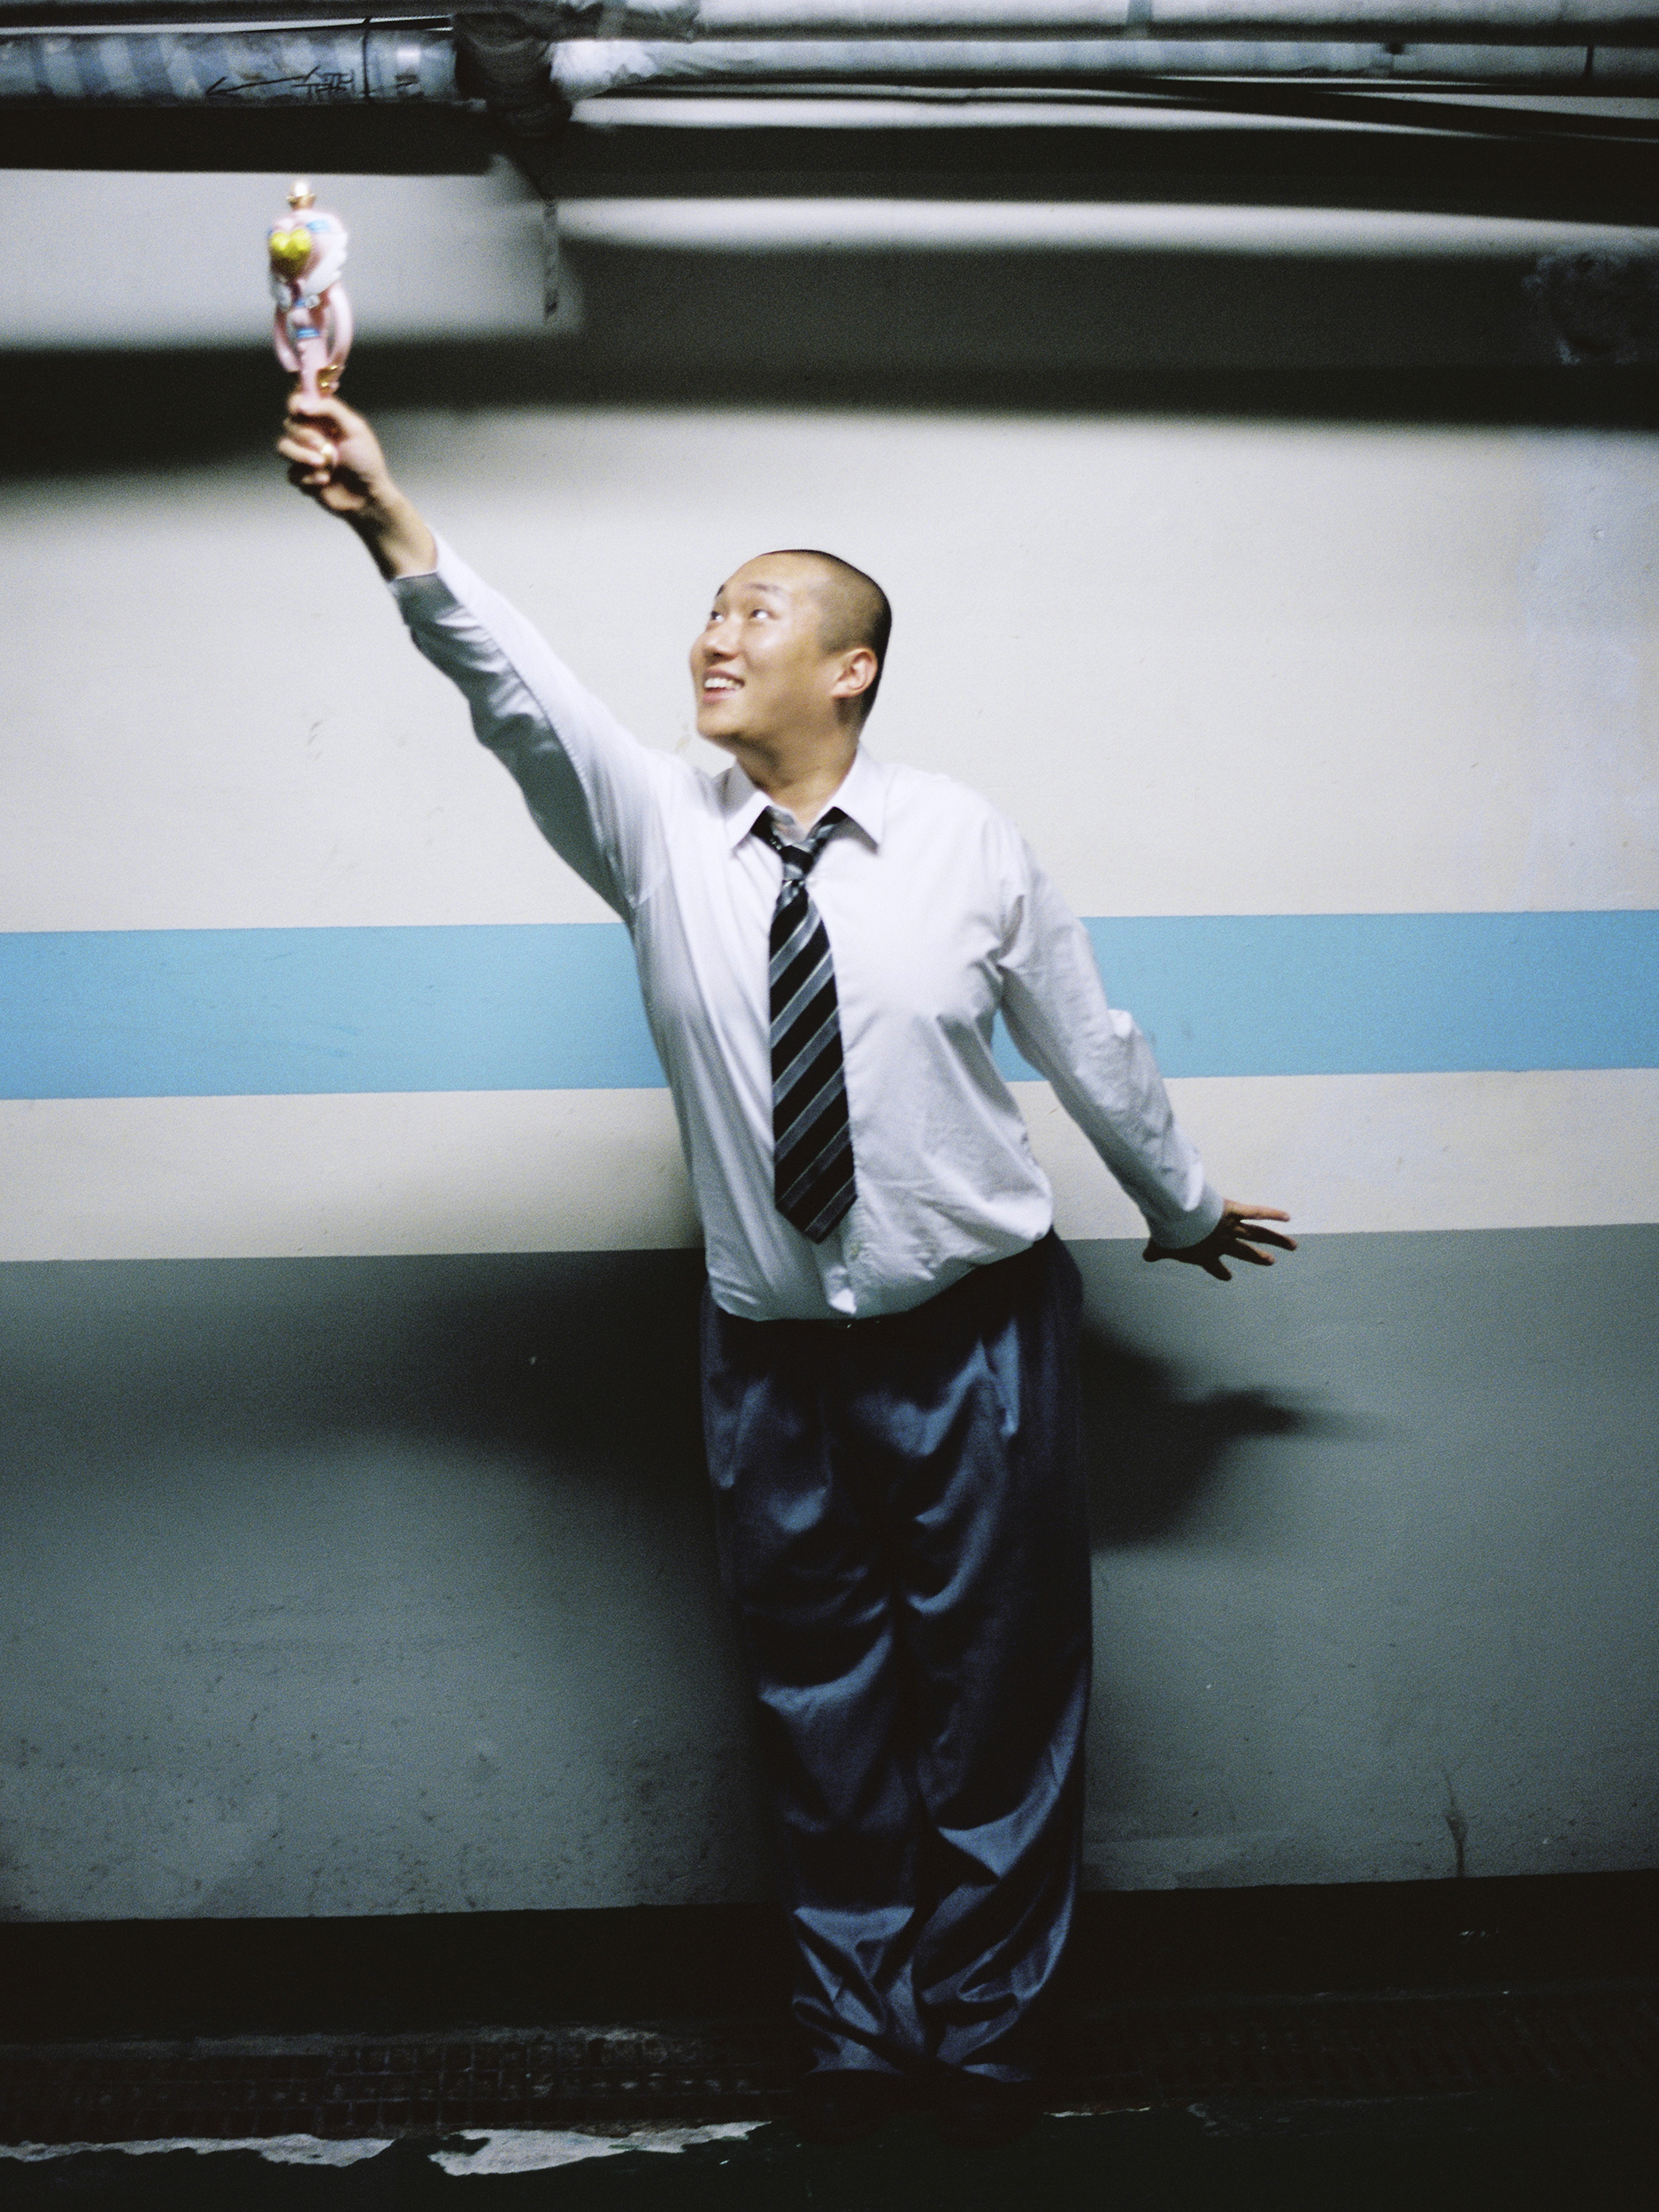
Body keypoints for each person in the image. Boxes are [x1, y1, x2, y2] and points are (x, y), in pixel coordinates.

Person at [276, 396, 1294, 2150]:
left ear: (851, 667)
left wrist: (1182, 1201)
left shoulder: (965, 838)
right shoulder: (655, 827)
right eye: (707, 608)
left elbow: (1090, 1039)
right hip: (771, 1354)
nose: (713, 633)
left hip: (977, 1333)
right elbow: (513, 687)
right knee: (818, 1706)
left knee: (996, 1700)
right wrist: (385, 521)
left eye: (756, 609)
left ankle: (987, 2032)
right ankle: (856, 2032)